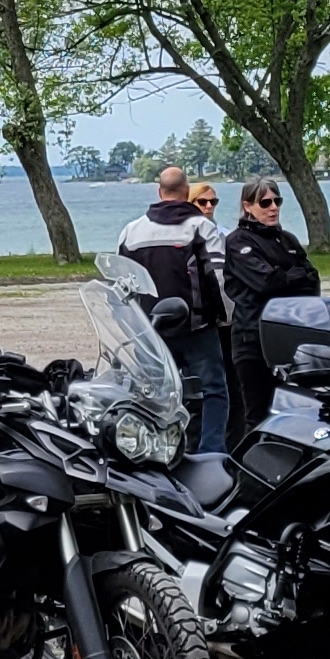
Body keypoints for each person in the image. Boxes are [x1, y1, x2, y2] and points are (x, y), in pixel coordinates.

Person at [119, 164, 234, 453]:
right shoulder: (201, 227)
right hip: (196, 329)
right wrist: (225, 319)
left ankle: (156, 451)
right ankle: (211, 454)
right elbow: (219, 279)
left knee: (155, 396)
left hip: (151, 332)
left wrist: (133, 326)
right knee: (213, 392)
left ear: (159, 192)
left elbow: (122, 284)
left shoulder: (131, 232)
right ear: (186, 193)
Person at [220, 174, 319, 437]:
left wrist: (287, 278)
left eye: (277, 201)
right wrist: (290, 277)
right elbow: (266, 282)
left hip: (290, 336)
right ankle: (245, 471)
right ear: (248, 206)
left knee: (295, 411)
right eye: (265, 203)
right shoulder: (238, 241)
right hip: (253, 339)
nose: (273, 207)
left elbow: (312, 279)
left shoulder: (286, 240)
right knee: (258, 414)